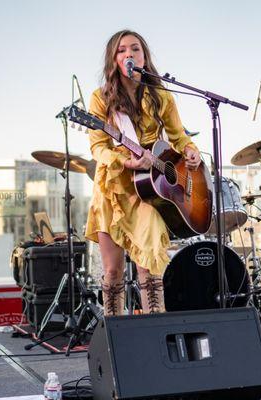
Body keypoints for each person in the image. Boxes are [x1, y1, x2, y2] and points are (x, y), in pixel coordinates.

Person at [84, 30, 202, 316]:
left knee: (149, 261)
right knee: (112, 270)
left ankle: (154, 325)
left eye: (135, 49)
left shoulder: (161, 95)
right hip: (113, 187)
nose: (129, 54)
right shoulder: (101, 98)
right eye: (122, 50)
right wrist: (127, 162)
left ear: (144, 57)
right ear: (114, 60)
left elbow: (178, 136)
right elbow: (98, 148)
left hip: (148, 189)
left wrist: (190, 150)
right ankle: (114, 332)